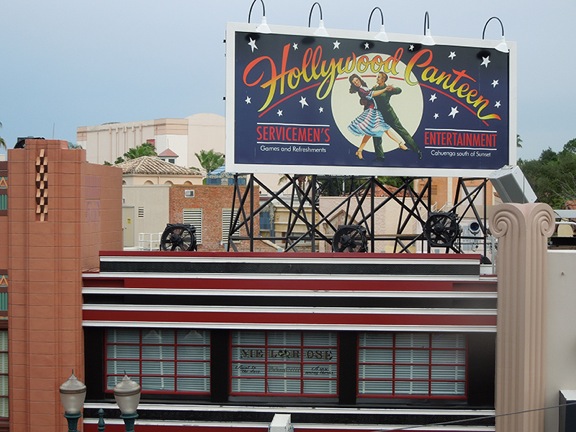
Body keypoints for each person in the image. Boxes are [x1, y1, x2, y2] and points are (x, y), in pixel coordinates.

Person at [347, 74, 404, 160]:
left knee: (374, 131)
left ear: (359, 79)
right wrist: (384, 89)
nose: (356, 83)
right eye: (354, 82)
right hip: (371, 111)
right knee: (384, 129)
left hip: (374, 110)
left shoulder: (364, 86)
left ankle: (359, 150)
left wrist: (373, 88)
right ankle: (400, 143)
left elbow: (370, 93)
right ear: (353, 84)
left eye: (357, 80)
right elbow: (372, 94)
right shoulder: (361, 90)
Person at [371, 72, 422, 159]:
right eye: (377, 77)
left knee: (402, 132)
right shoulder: (375, 88)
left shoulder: (388, 89)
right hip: (379, 116)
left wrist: (393, 89)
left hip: (389, 115)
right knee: (376, 135)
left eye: (379, 77)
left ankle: (417, 150)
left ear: (383, 79)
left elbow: (399, 90)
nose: (377, 78)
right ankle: (380, 156)